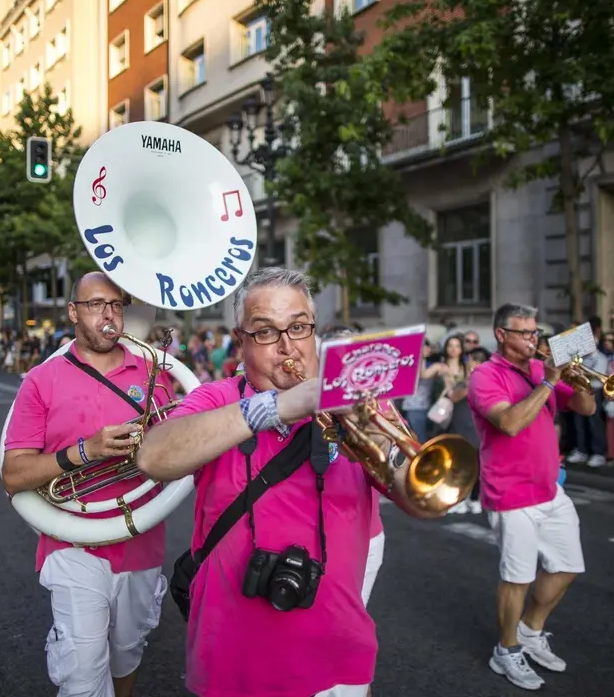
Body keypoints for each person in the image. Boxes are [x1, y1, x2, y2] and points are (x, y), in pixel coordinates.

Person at [136, 267, 443, 697]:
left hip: (337, 650)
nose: (287, 346)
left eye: (298, 328)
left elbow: (418, 501)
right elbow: (153, 457)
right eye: (265, 332)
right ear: (240, 340)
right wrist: (275, 407)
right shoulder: (217, 398)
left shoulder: (356, 400)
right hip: (235, 655)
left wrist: (383, 447)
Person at [2, 273, 175, 697]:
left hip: (141, 540)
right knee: (81, 671)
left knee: (126, 653)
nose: (108, 315)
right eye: (96, 305)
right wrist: (85, 452)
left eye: (116, 305)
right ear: (73, 312)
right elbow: (14, 474)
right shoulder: (41, 379)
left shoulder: (153, 373)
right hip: (72, 543)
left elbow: (176, 451)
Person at [467, 303, 597, 691]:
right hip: (509, 490)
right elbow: (509, 423)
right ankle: (506, 650)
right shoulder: (485, 376)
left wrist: (579, 376)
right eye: (524, 332)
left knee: (568, 566)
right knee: (517, 577)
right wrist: (548, 384)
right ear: (501, 334)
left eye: (535, 332)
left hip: (549, 488)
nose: (532, 339)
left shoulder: (542, 368)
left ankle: (530, 630)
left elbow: (587, 408)